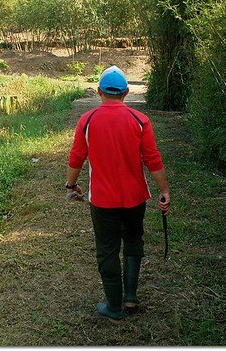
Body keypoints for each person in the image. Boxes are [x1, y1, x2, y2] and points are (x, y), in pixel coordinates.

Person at [65, 65, 170, 321]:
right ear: (126, 92)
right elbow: (153, 159)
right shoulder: (139, 120)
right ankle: (131, 297)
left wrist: (71, 186)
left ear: (100, 92)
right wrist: (164, 190)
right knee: (134, 241)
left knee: (107, 250)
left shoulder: (87, 120)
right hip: (135, 198)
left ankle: (114, 306)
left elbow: (77, 157)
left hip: (103, 201)